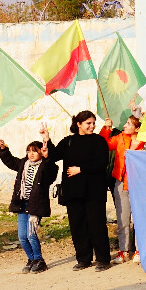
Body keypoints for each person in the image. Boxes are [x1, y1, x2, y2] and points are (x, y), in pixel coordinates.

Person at [41, 111, 112, 271]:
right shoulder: (69, 141)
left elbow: (102, 163)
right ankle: (83, 259)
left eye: (93, 123)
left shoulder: (99, 141)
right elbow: (54, 155)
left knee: (97, 225)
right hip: (73, 191)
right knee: (77, 226)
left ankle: (103, 259)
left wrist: (81, 169)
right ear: (78, 124)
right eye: (88, 123)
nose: (92, 126)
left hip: (94, 191)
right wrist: (47, 140)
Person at [0, 139, 58, 273]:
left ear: (41, 152)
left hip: (35, 205)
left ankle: (39, 260)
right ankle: (31, 259)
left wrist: (47, 158)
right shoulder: (23, 164)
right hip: (22, 204)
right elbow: (10, 161)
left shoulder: (47, 166)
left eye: (35, 151)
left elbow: (51, 174)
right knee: (22, 236)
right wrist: (3, 149)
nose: (31, 154)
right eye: (28, 151)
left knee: (31, 234)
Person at [100, 116, 145, 265]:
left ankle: (139, 250)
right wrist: (106, 129)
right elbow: (103, 145)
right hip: (121, 182)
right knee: (122, 219)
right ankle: (124, 251)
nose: (125, 125)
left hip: (139, 184)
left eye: (129, 124)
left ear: (137, 128)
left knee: (139, 219)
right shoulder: (120, 138)